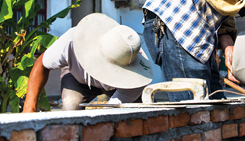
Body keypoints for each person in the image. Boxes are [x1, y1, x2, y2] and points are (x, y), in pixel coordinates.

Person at [22, 13, 153, 112]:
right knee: (70, 109)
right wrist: (29, 106)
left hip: (118, 87)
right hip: (77, 78)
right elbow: (41, 64)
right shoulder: (71, 42)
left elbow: (110, 115)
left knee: (142, 112)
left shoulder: (135, 81)